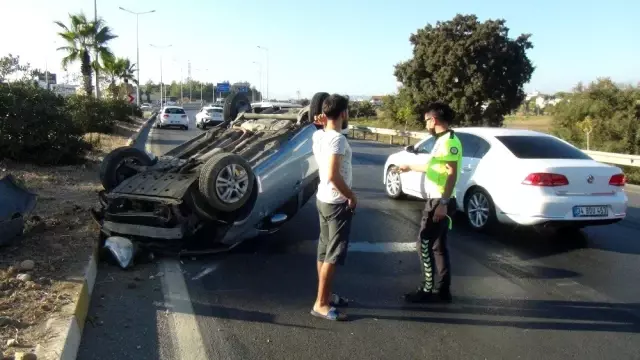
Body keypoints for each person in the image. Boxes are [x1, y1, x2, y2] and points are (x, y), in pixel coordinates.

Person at [396, 102, 462, 303]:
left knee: (423, 243)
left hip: (439, 200)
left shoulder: (450, 141)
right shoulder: (441, 140)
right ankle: (443, 291)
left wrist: (442, 203)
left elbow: (451, 174)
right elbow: (433, 167)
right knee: (438, 247)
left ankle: (426, 289)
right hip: (439, 199)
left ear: (433, 120)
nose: (426, 126)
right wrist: (410, 167)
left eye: (426, 121)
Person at [310, 94, 355, 321]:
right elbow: (334, 175)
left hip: (323, 199)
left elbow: (320, 128)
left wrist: (322, 122)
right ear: (343, 114)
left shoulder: (319, 136)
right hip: (337, 202)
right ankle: (321, 304)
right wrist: (351, 196)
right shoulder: (337, 140)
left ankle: (325, 294)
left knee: (324, 250)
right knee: (333, 255)